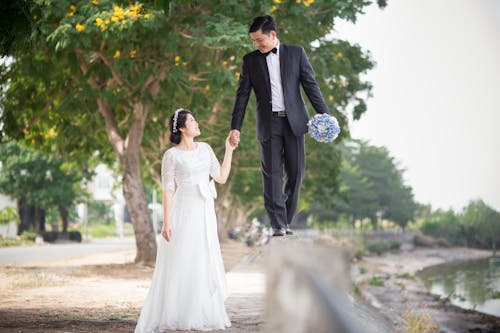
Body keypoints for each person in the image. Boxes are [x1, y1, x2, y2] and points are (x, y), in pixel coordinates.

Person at [135, 108, 235, 332]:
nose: (197, 123)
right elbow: (168, 190)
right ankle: (178, 312)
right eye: (192, 120)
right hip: (183, 211)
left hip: (204, 212)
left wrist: (229, 150)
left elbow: (221, 177)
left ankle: (199, 311)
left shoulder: (206, 149)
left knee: (202, 258)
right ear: (181, 128)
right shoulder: (171, 156)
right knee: (183, 258)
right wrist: (166, 222)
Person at [230, 15, 330, 237]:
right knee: (272, 175)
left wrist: (326, 116)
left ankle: (286, 219)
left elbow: (311, 86)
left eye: (259, 39)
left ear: (272, 34)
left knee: (295, 174)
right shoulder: (250, 61)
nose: (257, 44)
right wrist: (235, 127)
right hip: (268, 123)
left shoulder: (296, 53)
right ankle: (277, 224)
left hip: (294, 123)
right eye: (254, 41)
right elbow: (242, 96)